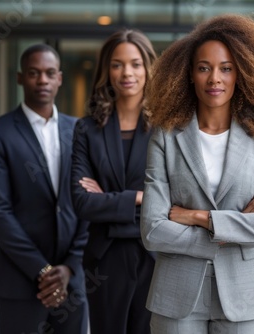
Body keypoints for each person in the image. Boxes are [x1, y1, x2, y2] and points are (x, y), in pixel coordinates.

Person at [140, 14, 254, 333]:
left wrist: (199, 217)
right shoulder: (165, 136)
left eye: (226, 68)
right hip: (176, 294)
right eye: (204, 68)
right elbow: (153, 230)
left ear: (242, 73)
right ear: (189, 74)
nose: (214, 79)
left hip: (243, 295)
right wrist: (237, 228)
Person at [0, 44, 88, 334]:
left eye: (50, 73)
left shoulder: (79, 130)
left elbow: (87, 203)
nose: (42, 80)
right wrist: (44, 271)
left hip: (73, 283)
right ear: (20, 78)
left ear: (60, 78)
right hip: (20, 282)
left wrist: (71, 266)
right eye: (33, 73)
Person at [71, 29, 157, 334]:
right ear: (107, 70)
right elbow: (82, 202)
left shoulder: (168, 128)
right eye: (117, 64)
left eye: (135, 63)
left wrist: (110, 197)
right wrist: (140, 197)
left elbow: (176, 197)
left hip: (156, 255)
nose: (127, 73)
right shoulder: (87, 129)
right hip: (104, 261)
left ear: (148, 69)